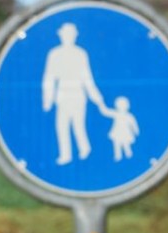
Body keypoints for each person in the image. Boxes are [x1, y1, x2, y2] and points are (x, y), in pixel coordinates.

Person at [41, 23, 107, 164]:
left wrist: (97, 98)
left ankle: (85, 149)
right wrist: (48, 99)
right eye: (66, 34)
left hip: (78, 95)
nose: (68, 37)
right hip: (62, 96)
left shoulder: (80, 54)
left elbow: (87, 79)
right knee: (62, 126)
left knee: (78, 125)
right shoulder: (54, 54)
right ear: (61, 35)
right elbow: (49, 78)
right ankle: (65, 155)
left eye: (71, 34)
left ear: (75, 36)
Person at [101, 96, 140, 161]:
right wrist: (102, 106)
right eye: (120, 105)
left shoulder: (129, 116)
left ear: (127, 106)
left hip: (126, 132)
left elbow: (133, 124)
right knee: (116, 144)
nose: (122, 107)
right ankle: (118, 155)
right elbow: (106, 112)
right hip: (117, 132)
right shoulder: (116, 113)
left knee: (126, 143)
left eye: (123, 105)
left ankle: (128, 153)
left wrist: (136, 130)